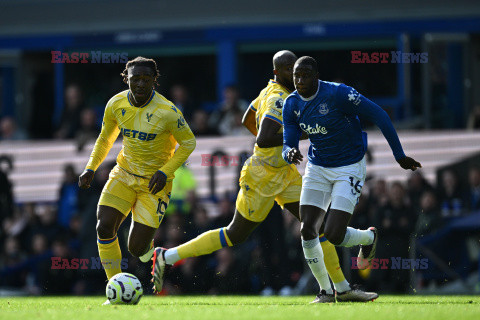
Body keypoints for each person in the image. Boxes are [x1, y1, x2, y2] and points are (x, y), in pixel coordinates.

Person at [151, 51, 377, 303]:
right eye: (290, 70)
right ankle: (166, 256)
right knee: (235, 233)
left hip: (284, 174)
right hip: (261, 176)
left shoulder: (269, 91)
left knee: (316, 226)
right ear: (277, 73)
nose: (295, 75)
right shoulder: (278, 97)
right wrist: (303, 134)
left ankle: (342, 287)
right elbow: (264, 137)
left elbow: (248, 118)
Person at [281, 56, 421, 301]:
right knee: (307, 229)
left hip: (349, 167)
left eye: (305, 75)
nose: (300, 81)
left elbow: (380, 115)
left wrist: (399, 155)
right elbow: (288, 141)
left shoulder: (338, 94)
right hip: (317, 167)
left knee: (334, 234)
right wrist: (289, 152)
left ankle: (369, 238)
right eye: (296, 76)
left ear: (316, 76)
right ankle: (325, 291)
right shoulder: (291, 103)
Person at [77, 56, 196, 305]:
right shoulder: (116, 104)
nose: (140, 84)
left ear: (155, 80)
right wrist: (90, 167)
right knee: (104, 226)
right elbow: (105, 139)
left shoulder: (168, 111)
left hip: (155, 183)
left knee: (136, 249)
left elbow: (189, 143)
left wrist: (165, 171)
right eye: (135, 79)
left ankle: (157, 255)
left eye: (146, 79)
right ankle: (115, 288)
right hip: (124, 173)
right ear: (126, 79)